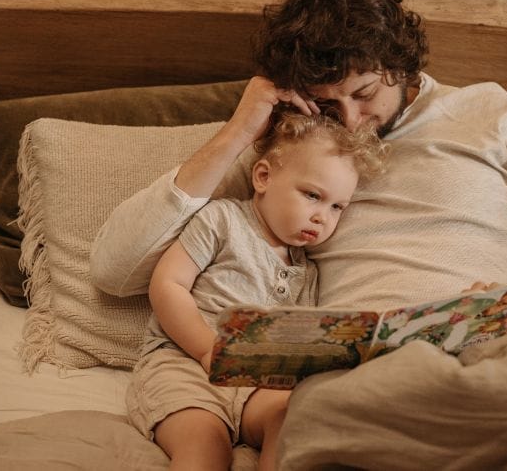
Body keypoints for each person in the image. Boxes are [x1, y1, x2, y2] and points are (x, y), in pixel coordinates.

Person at [91, 0, 507, 469]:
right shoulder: (294, 150)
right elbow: (115, 268)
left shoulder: (488, 112)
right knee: (325, 414)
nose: (351, 122)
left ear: (398, 63)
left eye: (364, 93)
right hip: (365, 369)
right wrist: (241, 130)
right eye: (327, 104)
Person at [123, 111, 387, 471]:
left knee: (292, 419)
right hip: (183, 363)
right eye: (312, 195)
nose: (322, 216)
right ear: (263, 177)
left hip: (255, 382)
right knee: (206, 446)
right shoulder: (222, 220)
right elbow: (167, 285)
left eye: (337, 206)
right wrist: (206, 349)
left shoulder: (306, 270)